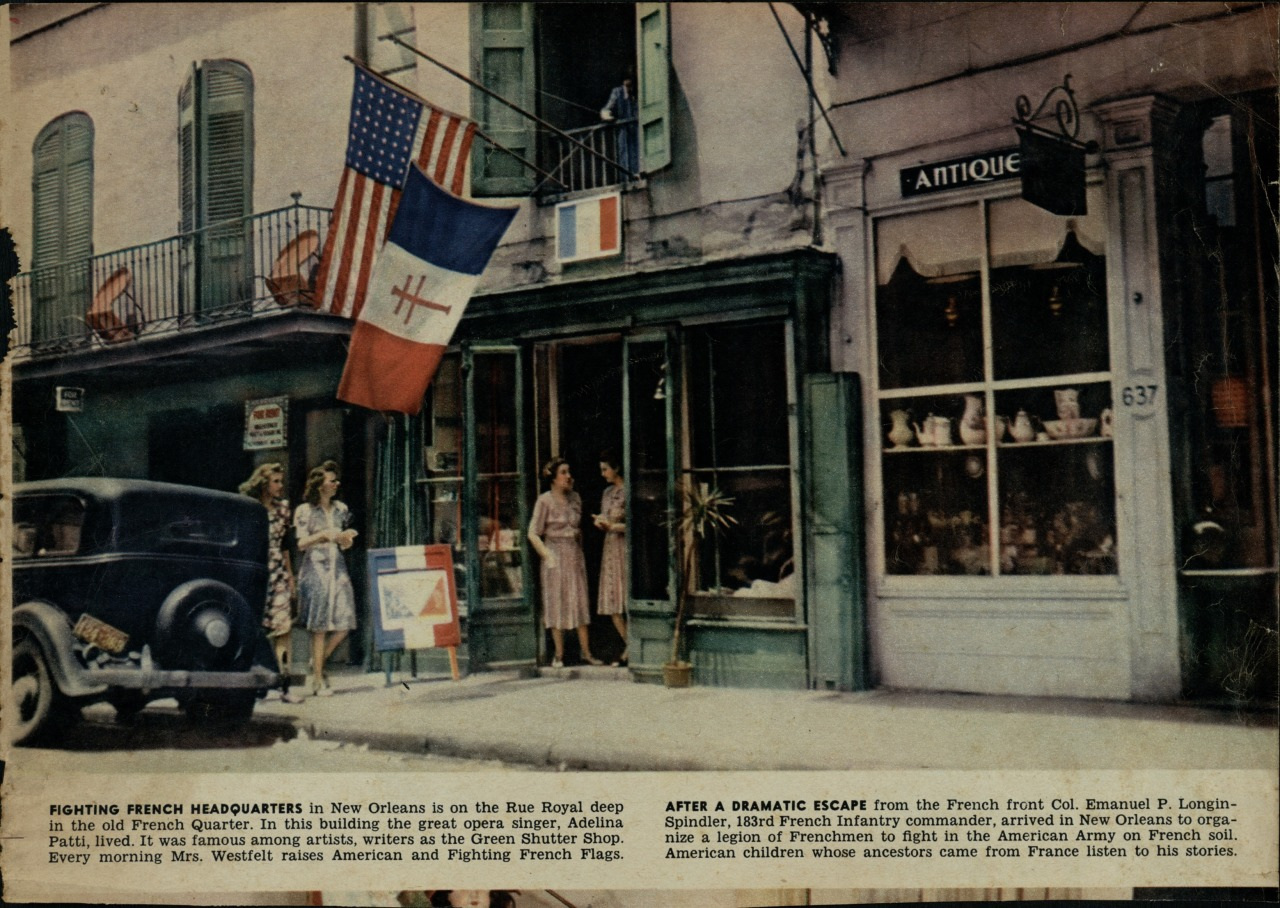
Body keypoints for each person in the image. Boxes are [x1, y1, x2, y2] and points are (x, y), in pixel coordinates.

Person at [527, 457, 601, 668]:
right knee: (556, 601)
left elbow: (579, 528)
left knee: (579, 599)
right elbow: (532, 533)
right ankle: (558, 654)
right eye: (564, 473)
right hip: (554, 555)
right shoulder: (544, 501)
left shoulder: (576, 498)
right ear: (552, 477)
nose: (569, 477)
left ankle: (586, 652)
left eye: (569, 472)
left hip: (574, 554)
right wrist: (547, 555)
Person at [239, 462, 303, 703]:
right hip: (253, 571)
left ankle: (285, 687)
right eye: (275, 481)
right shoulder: (249, 508)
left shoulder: (284, 509)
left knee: (283, 627)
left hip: (277, 572)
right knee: (253, 629)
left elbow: (286, 547)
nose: (280, 486)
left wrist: (290, 577)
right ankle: (255, 682)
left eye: (281, 481)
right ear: (263, 483)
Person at [294, 462, 358, 696]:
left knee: (345, 620)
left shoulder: (341, 508)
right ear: (320, 486)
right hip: (316, 570)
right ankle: (317, 680)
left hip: (337, 568)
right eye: (332, 480)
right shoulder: (305, 511)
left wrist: (345, 539)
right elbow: (301, 543)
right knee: (319, 626)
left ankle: (317, 661)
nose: (336, 484)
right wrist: (322, 535)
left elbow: (344, 543)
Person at [592, 450, 628, 666]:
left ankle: (630, 649)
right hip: (610, 547)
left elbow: (634, 523)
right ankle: (629, 643)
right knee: (612, 602)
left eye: (605, 469)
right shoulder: (606, 493)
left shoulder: (627, 491)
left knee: (625, 598)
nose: (603, 473)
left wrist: (613, 526)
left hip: (624, 547)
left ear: (617, 469)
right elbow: (604, 518)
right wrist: (600, 522)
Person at [600, 68, 638, 179]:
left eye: (631, 83)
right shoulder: (617, 92)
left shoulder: (638, 91)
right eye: (627, 84)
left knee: (638, 153)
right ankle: (626, 179)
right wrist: (607, 116)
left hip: (637, 129)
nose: (629, 87)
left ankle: (638, 174)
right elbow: (606, 109)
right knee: (624, 155)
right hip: (624, 130)